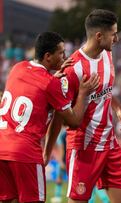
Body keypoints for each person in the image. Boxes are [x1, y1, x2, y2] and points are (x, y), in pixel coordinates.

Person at [44, 9, 121, 203]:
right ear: (99, 35)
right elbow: (60, 115)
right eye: (114, 34)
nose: (117, 38)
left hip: (109, 143)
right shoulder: (72, 68)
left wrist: (119, 111)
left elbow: (106, 91)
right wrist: (47, 152)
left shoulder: (107, 55)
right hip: (84, 146)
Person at [0, 31, 99, 203]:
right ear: (48, 56)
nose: (64, 57)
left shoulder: (17, 68)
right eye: (61, 53)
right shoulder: (51, 84)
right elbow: (73, 121)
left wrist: (52, 77)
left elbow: (34, 88)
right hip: (25, 153)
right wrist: (83, 93)